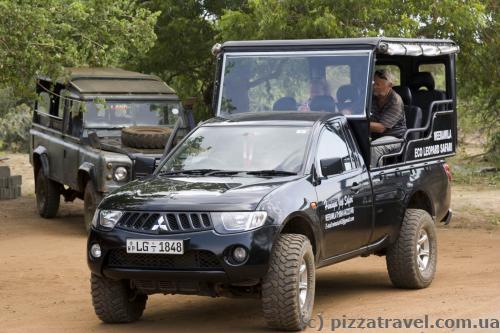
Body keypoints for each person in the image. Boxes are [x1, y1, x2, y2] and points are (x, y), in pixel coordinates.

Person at [370, 69, 406, 167]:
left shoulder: (396, 101)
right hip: (374, 135)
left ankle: (376, 177)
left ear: (389, 85)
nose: (374, 87)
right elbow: (358, 107)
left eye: (378, 84)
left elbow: (381, 128)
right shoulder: (373, 96)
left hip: (395, 138)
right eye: (374, 83)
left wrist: (362, 123)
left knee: (375, 147)